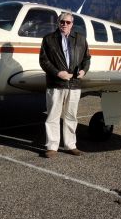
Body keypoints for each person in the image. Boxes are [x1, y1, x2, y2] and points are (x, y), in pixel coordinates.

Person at [39, 12, 91, 158]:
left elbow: (87, 58)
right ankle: (52, 146)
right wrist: (58, 73)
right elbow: (44, 61)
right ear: (58, 22)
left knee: (71, 116)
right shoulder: (48, 39)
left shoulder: (81, 39)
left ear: (72, 24)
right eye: (62, 22)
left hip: (74, 84)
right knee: (53, 116)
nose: (65, 24)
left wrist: (84, 70)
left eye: (68, 22)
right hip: (56, 83)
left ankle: (70, 145)